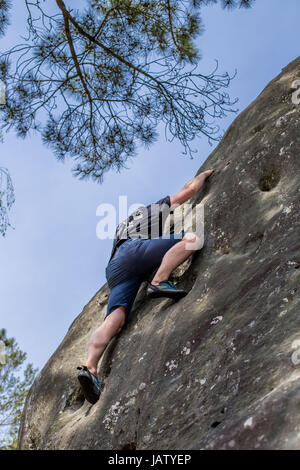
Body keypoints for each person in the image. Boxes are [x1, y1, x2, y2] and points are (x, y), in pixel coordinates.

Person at [77, 169, 214, 404]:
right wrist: (204, 175)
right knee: (192, 239)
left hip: (115, 268)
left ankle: (90, 367)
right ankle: (160, 281)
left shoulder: (122, 228)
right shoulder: (151, 210)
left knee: (115, 320)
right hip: (135, 252)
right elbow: (187, 192)